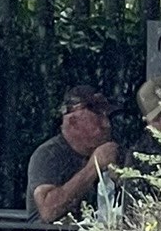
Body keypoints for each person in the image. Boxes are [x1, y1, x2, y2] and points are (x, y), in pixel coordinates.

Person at [27, 86, 119, 223]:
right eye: (98, 116)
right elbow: (48, 211)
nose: (106, 124)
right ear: (73, 121)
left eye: (107, 116)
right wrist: (93, 168)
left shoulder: (115, 153)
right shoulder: (48, 155)